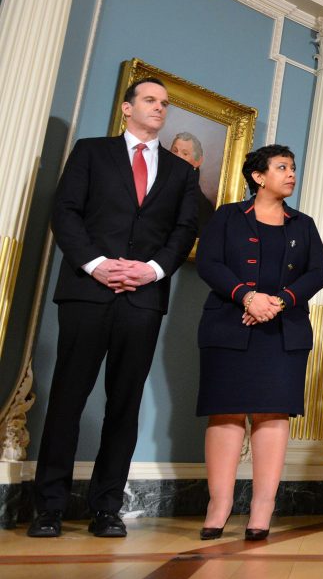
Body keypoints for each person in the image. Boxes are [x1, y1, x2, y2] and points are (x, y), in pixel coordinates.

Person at [28, 78, 199, 538]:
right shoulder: (90, 152)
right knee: (67, 399)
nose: (160, 108)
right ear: (127, 108)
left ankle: (106, 508)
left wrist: (153, 271)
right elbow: (65, 212)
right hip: (88, 291)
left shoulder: (182, 173)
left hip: (143, 299)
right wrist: (96, 264)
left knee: (124, 404)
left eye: (165, 103)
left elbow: (183, 232)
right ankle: (49, 508)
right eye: (150, 100)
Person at [194, 144, 323, 541]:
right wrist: (246, 297)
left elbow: (316, 273)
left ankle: (262, 511)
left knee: (272, 414)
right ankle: (218, 506)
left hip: (283, 332)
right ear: (258, 176)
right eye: (282, 167)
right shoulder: (227, 216)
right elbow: (208, 263)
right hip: (228, 325)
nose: (291, 174)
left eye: (293, 167)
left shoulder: (303, 224)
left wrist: (278, 302)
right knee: (226, 413)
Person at [170, 131, 216, 231]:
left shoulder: (203, 207)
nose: (177, 157)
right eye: (175, 151)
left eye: (185, 153)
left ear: (198, 161)